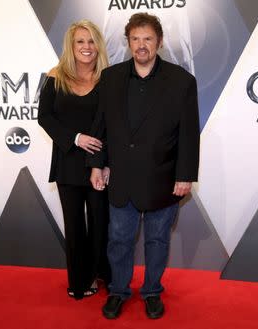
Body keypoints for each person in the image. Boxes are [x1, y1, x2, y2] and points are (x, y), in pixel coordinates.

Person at [88, 13, 200, 319]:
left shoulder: (181, 81)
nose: (141, 45)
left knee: (157, 240)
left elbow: (189, 134)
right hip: (121, 178)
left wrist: (185, 175)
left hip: (162, 179)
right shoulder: (110, 79)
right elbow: (100, 126)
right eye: (135, 39)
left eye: (148, 39)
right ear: (127, 43)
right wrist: (97, 165)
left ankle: (152, 291)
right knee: (119, 240)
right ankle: (119, 291)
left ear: (159, 42)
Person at [38, 20, 111, 300]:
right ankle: (77, 279)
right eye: (80, 41)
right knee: (74, 225)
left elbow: (110, 125)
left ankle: (95, 275)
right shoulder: (56, 76)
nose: (86, 47)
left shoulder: (109, 79)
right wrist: (76, 138)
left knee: (99, 224)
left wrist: (103, 164)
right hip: (67, 162)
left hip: (98, 164)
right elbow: (44, 117)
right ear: (71, 45)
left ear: (98, 46)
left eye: (91, 41)